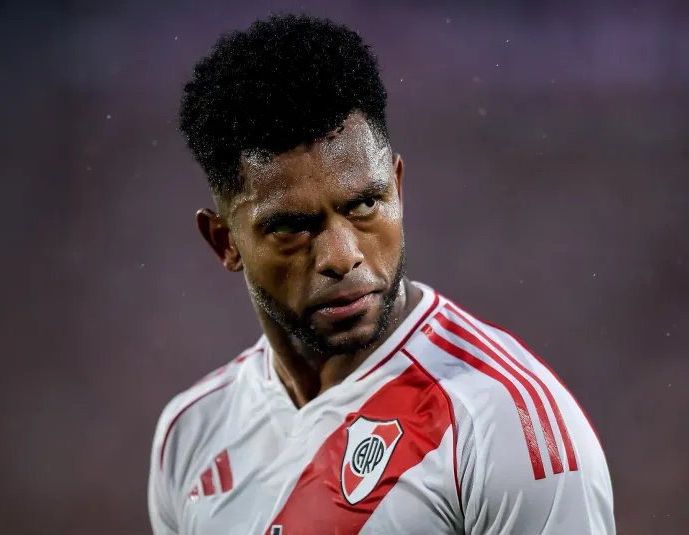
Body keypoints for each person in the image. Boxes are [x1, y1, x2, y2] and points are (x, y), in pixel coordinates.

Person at [148, 13, 614, 535]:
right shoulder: (189, 435)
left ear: (397, 185)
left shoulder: (504, 426)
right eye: (292, 227)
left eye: (365, 204)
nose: (341, 256)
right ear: (225, 242)